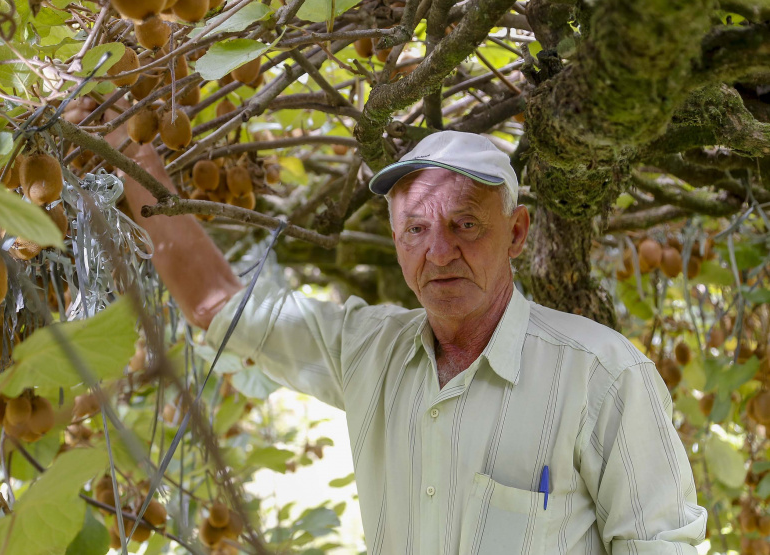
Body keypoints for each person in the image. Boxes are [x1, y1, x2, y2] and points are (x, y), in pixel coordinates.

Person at [117, 130, 707, 554]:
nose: (439, 253)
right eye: (416, 230)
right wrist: (129, 149)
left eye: (465, 224)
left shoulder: (602, 374)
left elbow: (661, 546)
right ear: (396, 241)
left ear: (518, 232)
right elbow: (218, 306)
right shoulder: (365, 351)